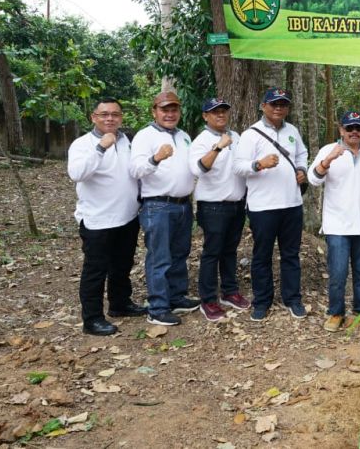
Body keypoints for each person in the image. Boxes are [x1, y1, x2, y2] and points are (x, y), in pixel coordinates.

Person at [67, 98, 145, 336]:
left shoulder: (127, 142)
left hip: (127, 216)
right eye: (104, 114)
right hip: (97, 220)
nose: (110, 118)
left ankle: (120, 303)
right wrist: (101, 147)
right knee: (95, 270)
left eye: (115, 114)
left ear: (121, 117)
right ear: (94, 117)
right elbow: (76, 173)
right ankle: (92, 319)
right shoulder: (83, 144)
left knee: (122, 265)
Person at [232, 88, 309, 322]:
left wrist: (302, 170)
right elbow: (238, 166)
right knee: (262, 255)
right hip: (263, 206)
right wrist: (259, 164)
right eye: (273, 104)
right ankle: (262, 301)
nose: (278, 108)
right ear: (263, 106)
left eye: (283, 104)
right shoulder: (251, 135)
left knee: (291, 254)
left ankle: (292, 299)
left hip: (292, 204)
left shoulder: (292, 130)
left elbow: (302, 154)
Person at [309, 110, 360, 333]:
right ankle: (336, 312)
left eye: (358, 128)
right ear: (341, 130)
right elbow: (313, 179)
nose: (353, 132)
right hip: (337, 224)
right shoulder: (329, 150)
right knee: (338, 272)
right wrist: (328, 159)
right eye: (349, 128)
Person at [130, 91, 199, 327]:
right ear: (154, 111)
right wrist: (156, 158)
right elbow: (136, 170)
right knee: (160, 257)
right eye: (164, 109)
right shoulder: (145, 136)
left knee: (180, 254)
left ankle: (176, 296)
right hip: (157, 205)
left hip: (182, 204)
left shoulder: (184, 136)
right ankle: (157, 307)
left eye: (174, 109)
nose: (170, 114)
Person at [188, 97, 251, 322]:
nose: (220, 114)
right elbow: (198, 169)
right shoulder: (201, 140)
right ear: (206, 116)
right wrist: (218, 147)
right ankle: (208, 300)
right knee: (212, 252)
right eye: (214, 111)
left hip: (236, 204)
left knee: (230, 250)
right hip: (213, 205)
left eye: (224, 110)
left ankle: (229, 291)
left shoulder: (238, 137)